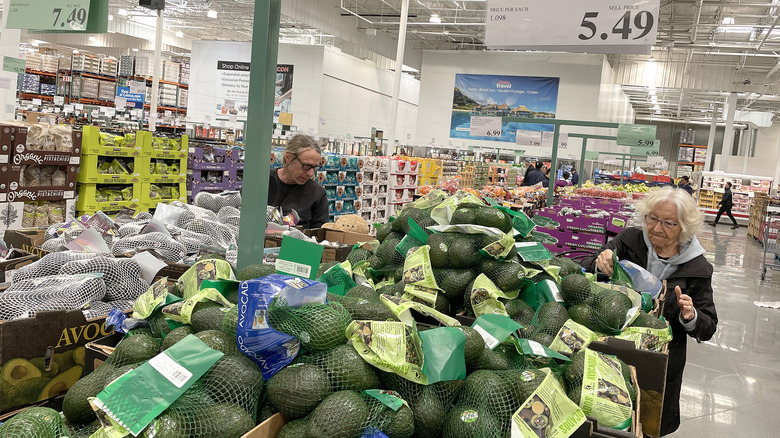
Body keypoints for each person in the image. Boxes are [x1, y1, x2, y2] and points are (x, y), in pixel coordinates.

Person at [581, 187, 718, 436]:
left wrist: (691, 316)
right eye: (652, 219)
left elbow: (708, 326)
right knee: (607, 419)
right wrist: (600, 264)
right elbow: (587, 265)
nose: (656, 228)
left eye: (668, 223)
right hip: (613, 346)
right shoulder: (631, 240)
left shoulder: (697, 267)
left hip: (659, 362)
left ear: (684, 228)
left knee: (650, 421)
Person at [268, 134, 329, 229]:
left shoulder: (317, 194)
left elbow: (319, 236)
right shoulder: (261, 181)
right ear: (288, 157)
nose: (311, 173)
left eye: (314, 167)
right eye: (306, 166)